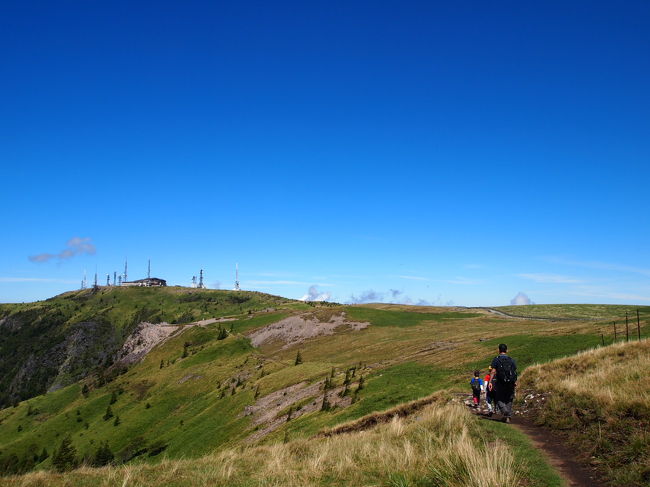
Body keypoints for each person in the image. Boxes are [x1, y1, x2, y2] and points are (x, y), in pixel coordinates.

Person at [489, 343, 517, 423]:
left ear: (499, 350)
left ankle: (505, 412)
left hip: (500, 383)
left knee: (499, 399)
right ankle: (507, 416)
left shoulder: (496, 359)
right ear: (507, 350)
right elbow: (514, 372)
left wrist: (490, 382)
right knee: (509, 399)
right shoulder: (511, 359)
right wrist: (515, 381)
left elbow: (493, 371)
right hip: (511, 383)